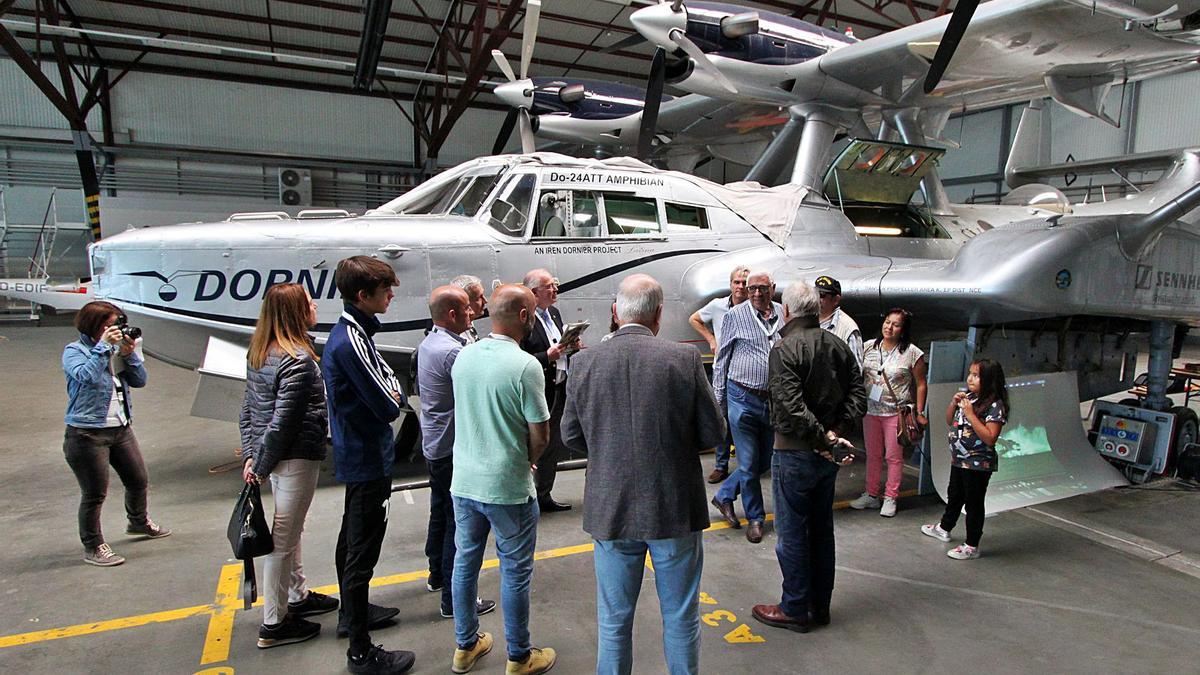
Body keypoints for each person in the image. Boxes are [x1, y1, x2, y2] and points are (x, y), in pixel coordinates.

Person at [562, 274, 725, 675]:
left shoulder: (583, 363)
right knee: (682, 615)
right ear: (658, 315)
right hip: (673, 508)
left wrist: (608, 453)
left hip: (610, 508)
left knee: (615, 620)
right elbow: (714, 432)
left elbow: (569, 435)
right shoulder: (683, 359)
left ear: (616, 313)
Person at [447, 283, 556, 675]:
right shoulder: (526, 365)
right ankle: (520, 656)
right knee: (514, 572)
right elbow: (540, 434)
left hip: (464, 482)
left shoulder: (464, 357)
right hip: (507, 486)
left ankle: (465, 646)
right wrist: (527, 461)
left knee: (465, 563)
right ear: (525, 316)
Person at [751, 281, 866, 633]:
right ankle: (820, 606)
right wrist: (833, 435)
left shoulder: (785, 349)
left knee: (792, 535)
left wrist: (821, 437)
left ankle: (795, 607)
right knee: (821, 531)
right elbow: (859, 396)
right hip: (825, 458)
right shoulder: (839, 346)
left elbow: (789, 406)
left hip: (794, 455)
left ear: (787, 311)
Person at [323, 256, 413, 675]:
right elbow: (388, 400)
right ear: (364, 296)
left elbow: (389, 383)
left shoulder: (356, 333)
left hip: (361, 455)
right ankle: (360, 650)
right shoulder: (352, 341)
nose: (392, 295)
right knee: (362, 550)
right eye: (385, 290)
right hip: (366, 458)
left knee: (352, 542)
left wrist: (392, 391)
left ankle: (350, 614)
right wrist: (394, 396)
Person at [240, 283, 339, 648]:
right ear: (297, 312)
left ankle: (297, 595)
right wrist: (260, 464)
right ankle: (274, 622)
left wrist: (253, 455)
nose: (315, 305)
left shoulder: (261, 353)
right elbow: (284, 422)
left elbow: (249, 411)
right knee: (282, 540)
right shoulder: (297, 361)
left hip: (275, 458)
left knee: (290, 531)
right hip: (294, 458)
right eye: (309, 302)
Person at [62, 301, 170, 567]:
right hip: (87, 434)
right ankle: (94, 546)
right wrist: (105, 349)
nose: (117, 330)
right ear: (96, 325)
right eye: (111, 325)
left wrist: (129, 353)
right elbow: (84, 377)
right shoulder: (74, 351)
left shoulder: (115, 348)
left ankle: (138, 521)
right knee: (95, 493)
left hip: (120, 428)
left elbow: (140, 380)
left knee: (138, 479)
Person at [415, 285, 497, 618]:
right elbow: (482, 393)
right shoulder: (453, 353)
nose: (473, 313)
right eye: (466, 309)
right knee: (459, 527)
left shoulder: (430, 342)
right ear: (452, 314)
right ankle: (454, 598)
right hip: (452, 449)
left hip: (435, 446)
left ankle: (437, 574)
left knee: (441, 512)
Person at [710, 270, 784, 544]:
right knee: (749, 462)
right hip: (741, 397)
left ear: (772, 289)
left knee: (765, 460)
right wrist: (719, 399)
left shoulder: (782, 314)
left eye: (762, 288)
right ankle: (755, 518)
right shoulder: (734, 316)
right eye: (752, 288)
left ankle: (725, 494)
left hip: (772, 400)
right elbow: (722, 358)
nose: (756, 293)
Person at [921, 359, 1009, 560]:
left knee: (973, 503)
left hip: (977, 463)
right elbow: (948, 420)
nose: (970, 378)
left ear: (989, 380)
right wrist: (954, 403)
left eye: (976, 375)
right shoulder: (970, 397)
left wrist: (970, 414)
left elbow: (990, 437)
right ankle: (944, 527)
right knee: (955, 494)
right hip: (959, 459)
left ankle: (972, 544)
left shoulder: (995, 405)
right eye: (970, 373)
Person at [850, 308, 928, 518]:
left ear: (903, 330)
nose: (889, 327)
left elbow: (921, 383)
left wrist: (920, 411)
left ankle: (891, 496)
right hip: (871, 410)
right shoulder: (868, 347)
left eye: (895, 324)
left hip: (897, 413)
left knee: (893, 457)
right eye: (887, 322)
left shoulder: (912, 353)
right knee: (872, 455)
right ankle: (871, 494)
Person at [519, 268, 580, 513]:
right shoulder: (524, 319)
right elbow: (518, 358)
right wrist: (547, 356)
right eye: (550, 286)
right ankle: (526, 496)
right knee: (532, 442)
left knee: (552, 443)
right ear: (534, 292)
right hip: (538, 390)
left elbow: (558, 347)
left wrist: (571, 346)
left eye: (555, 285)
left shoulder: (553, 313)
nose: (555, 290)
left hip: (559, 387)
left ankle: (544, 494)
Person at [689, 265, 750, 484]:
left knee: (743, 419)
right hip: (722, 372)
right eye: (737, 282)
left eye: (744, 283)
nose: (740, 287)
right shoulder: (717, 306)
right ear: (730, 284)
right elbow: (694, 319)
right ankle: (721, 465)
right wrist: (711, 339)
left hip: (745, 374)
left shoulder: (754, 309)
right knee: (721, 418)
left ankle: (748, 465)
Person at [814, 275, 863, 369]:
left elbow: (857, 368)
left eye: (822, 295)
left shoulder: (848, 328)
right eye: (816, 294)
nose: (817, 299)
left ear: (836, 300)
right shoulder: (808, 319)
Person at [450, 274, 487, 343]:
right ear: (465, 302)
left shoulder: (468, 321)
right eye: (479, 298)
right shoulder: (458, 335)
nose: (485, 301)